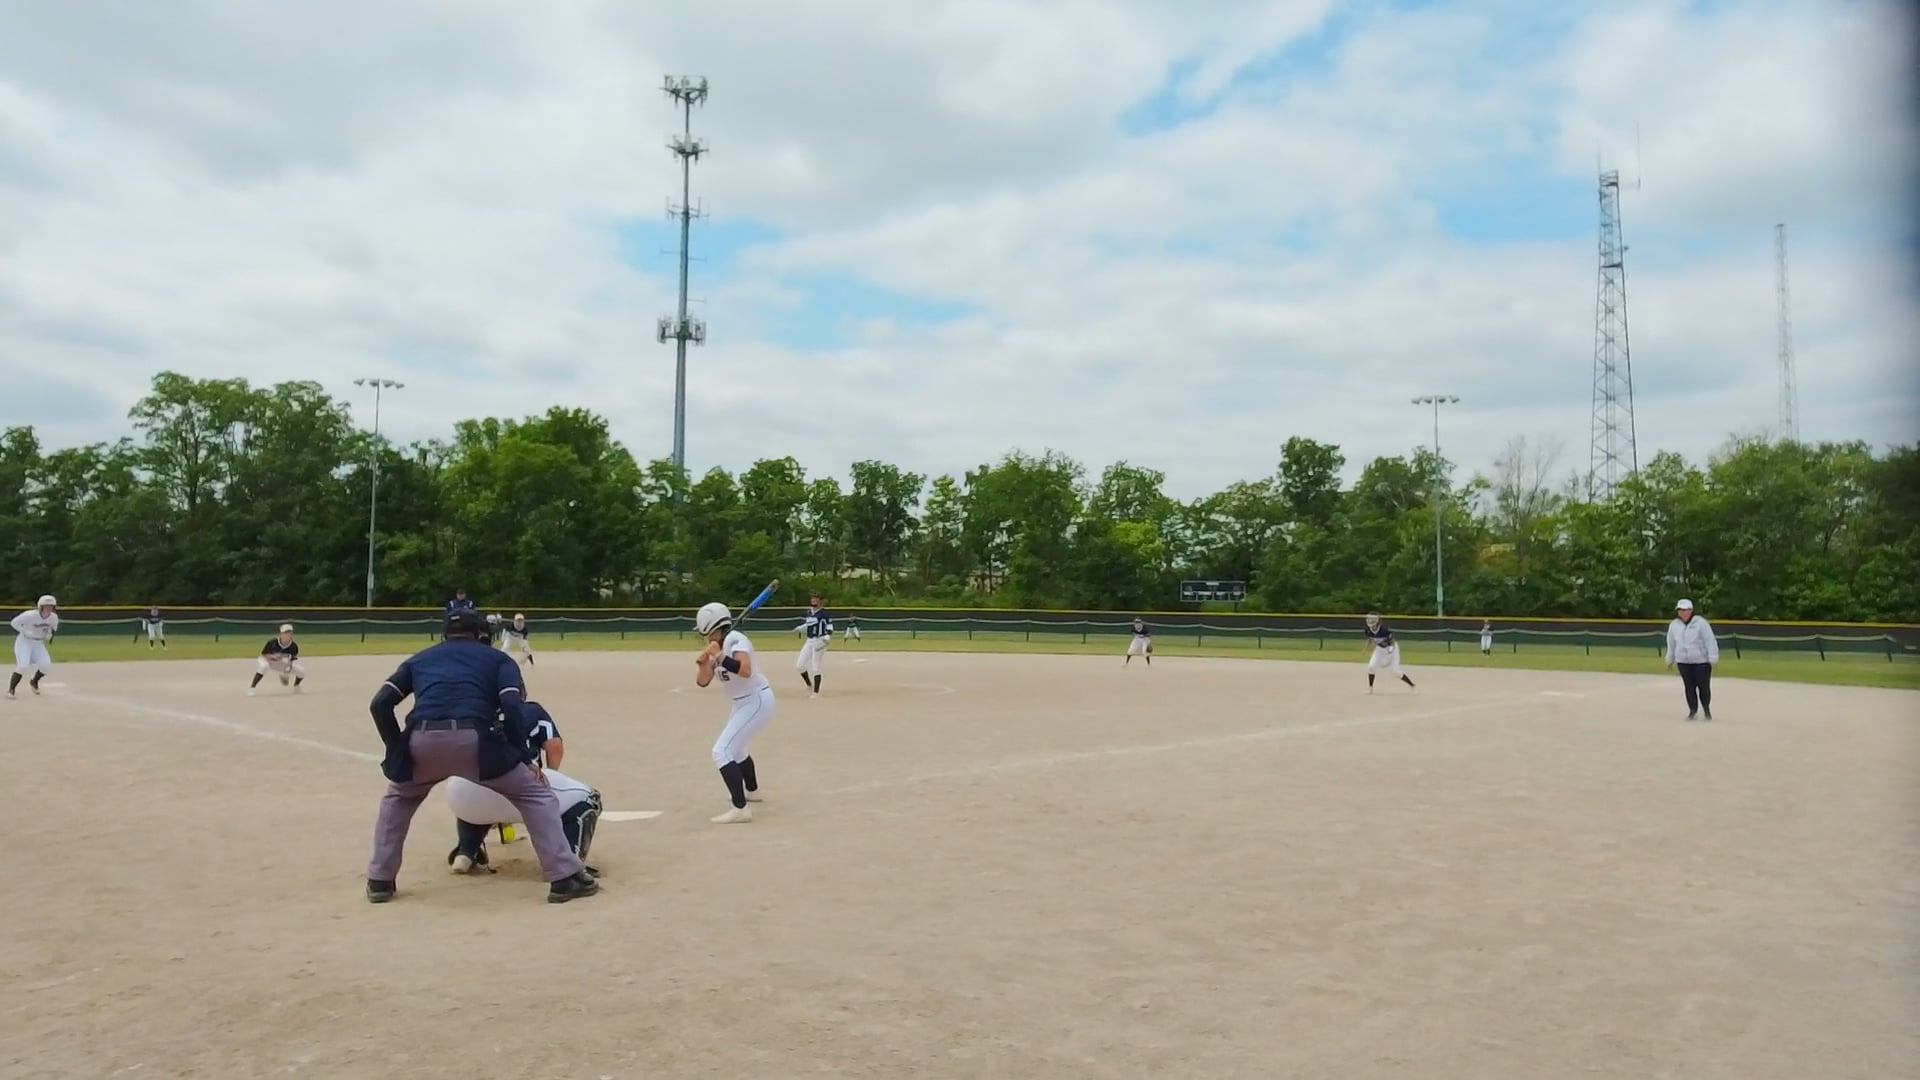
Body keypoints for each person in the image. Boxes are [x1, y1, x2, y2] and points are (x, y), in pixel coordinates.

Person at [365, 608, 598, 904]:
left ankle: (380, 880)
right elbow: (512, 706)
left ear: (444, 634)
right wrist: (520, 756)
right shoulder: (498, 659)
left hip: (420, 740)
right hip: (474, 741)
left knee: (397, 799)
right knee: (535, 795)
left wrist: (396, 747)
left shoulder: (419, 659)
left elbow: (380, 704)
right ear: (480, 634)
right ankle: (564, 876)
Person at [444, 699, 598, 876]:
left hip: (464, 795)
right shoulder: (531, 710)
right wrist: (550, 778)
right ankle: (569, 863)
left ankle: (466, 851)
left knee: (468, 785)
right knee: (589, 797)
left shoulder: (466, 710)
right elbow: (554, 746)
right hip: (521, 791)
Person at [694, 601, 774, 823]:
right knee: (736, 750)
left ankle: (740, 808)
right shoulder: (717, 646)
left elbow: (745, 670)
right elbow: (703, 681)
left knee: (721, 751)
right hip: (741, 703)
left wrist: (720, 656)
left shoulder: (736, 640)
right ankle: (752, 791)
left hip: (757, 699)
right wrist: (704, 663)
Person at [1664, 598, 1720, 721]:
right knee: (1689, 687)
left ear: (1691, 610)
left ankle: (1706, 708)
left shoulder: (1701, 623)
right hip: (1683, 661)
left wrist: (1713, 658)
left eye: (1685, 610)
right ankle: (1693, 711)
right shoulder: (1674, 625)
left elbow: (1710, 641)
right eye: (1680, 610)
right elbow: (1671, 643)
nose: (1682, 612)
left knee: (1703, 687)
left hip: (1701, 661)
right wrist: (1670, 659)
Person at [8, 594, 58, 699]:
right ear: (40, 606)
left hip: (38, 643)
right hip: (25, 641)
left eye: (51, 606)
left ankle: (34, 682)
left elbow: (51, 629)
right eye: (46, 606)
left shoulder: (53, 618)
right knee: (23, 665)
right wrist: (24, 630)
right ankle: (11, 690)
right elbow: (14, 623)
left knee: (46, 666)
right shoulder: (29, 615)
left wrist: (49, 635)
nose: (49, 608)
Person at [1363, 611, 1417, 693]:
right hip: (1379, 649)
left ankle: (1412, 685)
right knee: (1371, 666)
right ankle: (1370, 689)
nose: (1370, 621)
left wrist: (1391, 648)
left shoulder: (1383, 629)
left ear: (1376, 621)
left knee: (1396, 672)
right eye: (1369, 619)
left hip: (1391, 649)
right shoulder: (1368, 630)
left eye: (1372, 619)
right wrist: (1365, 649)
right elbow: (1370, 639)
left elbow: (1392, 641)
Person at [249, 623, 306, 695]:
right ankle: (252, 688)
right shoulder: (272, 642)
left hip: (280, 663)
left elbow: (291, 660)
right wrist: (272, 656)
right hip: (266, 660)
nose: (287, 635)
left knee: (301, 671)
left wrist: (286, 673)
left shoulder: (294, 646)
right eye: (285, 633)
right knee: (264, 667)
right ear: (280, 634)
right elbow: (263, 654)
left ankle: (296, 687)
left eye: (289, 632)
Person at [793, 593, 831, 697]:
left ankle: (816, 692)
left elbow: (829, 626)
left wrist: (827, 637)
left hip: (820, 640)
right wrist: (800, 628)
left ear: (820, 601)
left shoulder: (824, 613)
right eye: (812, 600)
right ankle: (809, 685)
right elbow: (809, 625)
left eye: (816, 600)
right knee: (799, 665)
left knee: (815, 667)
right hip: (809, 641)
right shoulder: (809, 612)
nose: (814, 602)